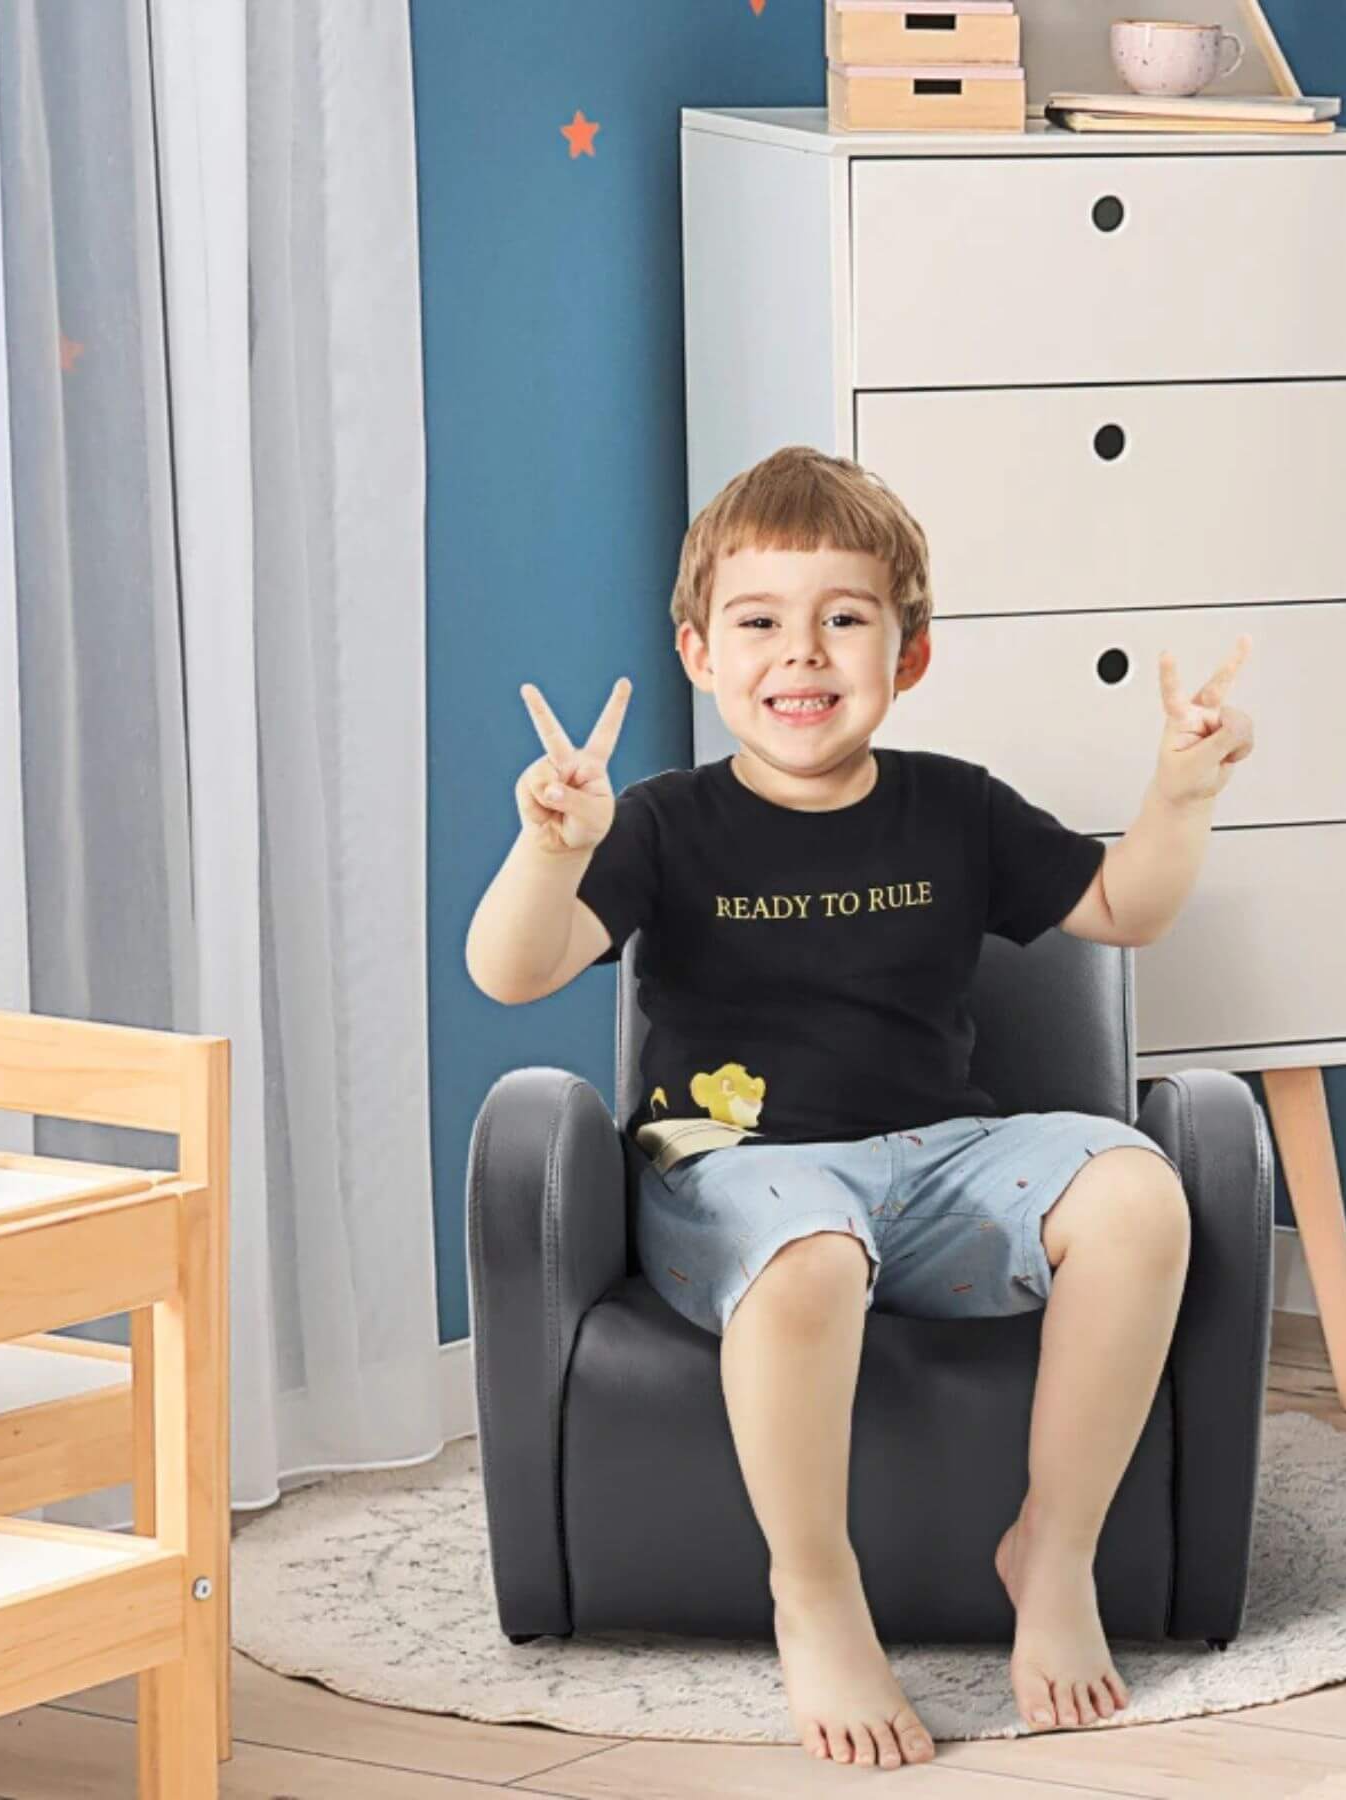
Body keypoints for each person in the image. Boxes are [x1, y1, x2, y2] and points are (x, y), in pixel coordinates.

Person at [464, 444, 1255, 1772]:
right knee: (809, 1252)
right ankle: (816, 1594)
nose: (803, 654)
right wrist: (554, 846)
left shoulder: (957, 809)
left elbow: (1128, 909)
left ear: (909, 655)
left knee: (1137, 1193)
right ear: (700, 654)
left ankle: (1051, 1555)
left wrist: (1182, 788)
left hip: (943, 1160)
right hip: (733, 1171)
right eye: (760, 623)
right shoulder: (660, 823)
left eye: (845, 619)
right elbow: (512, 970)